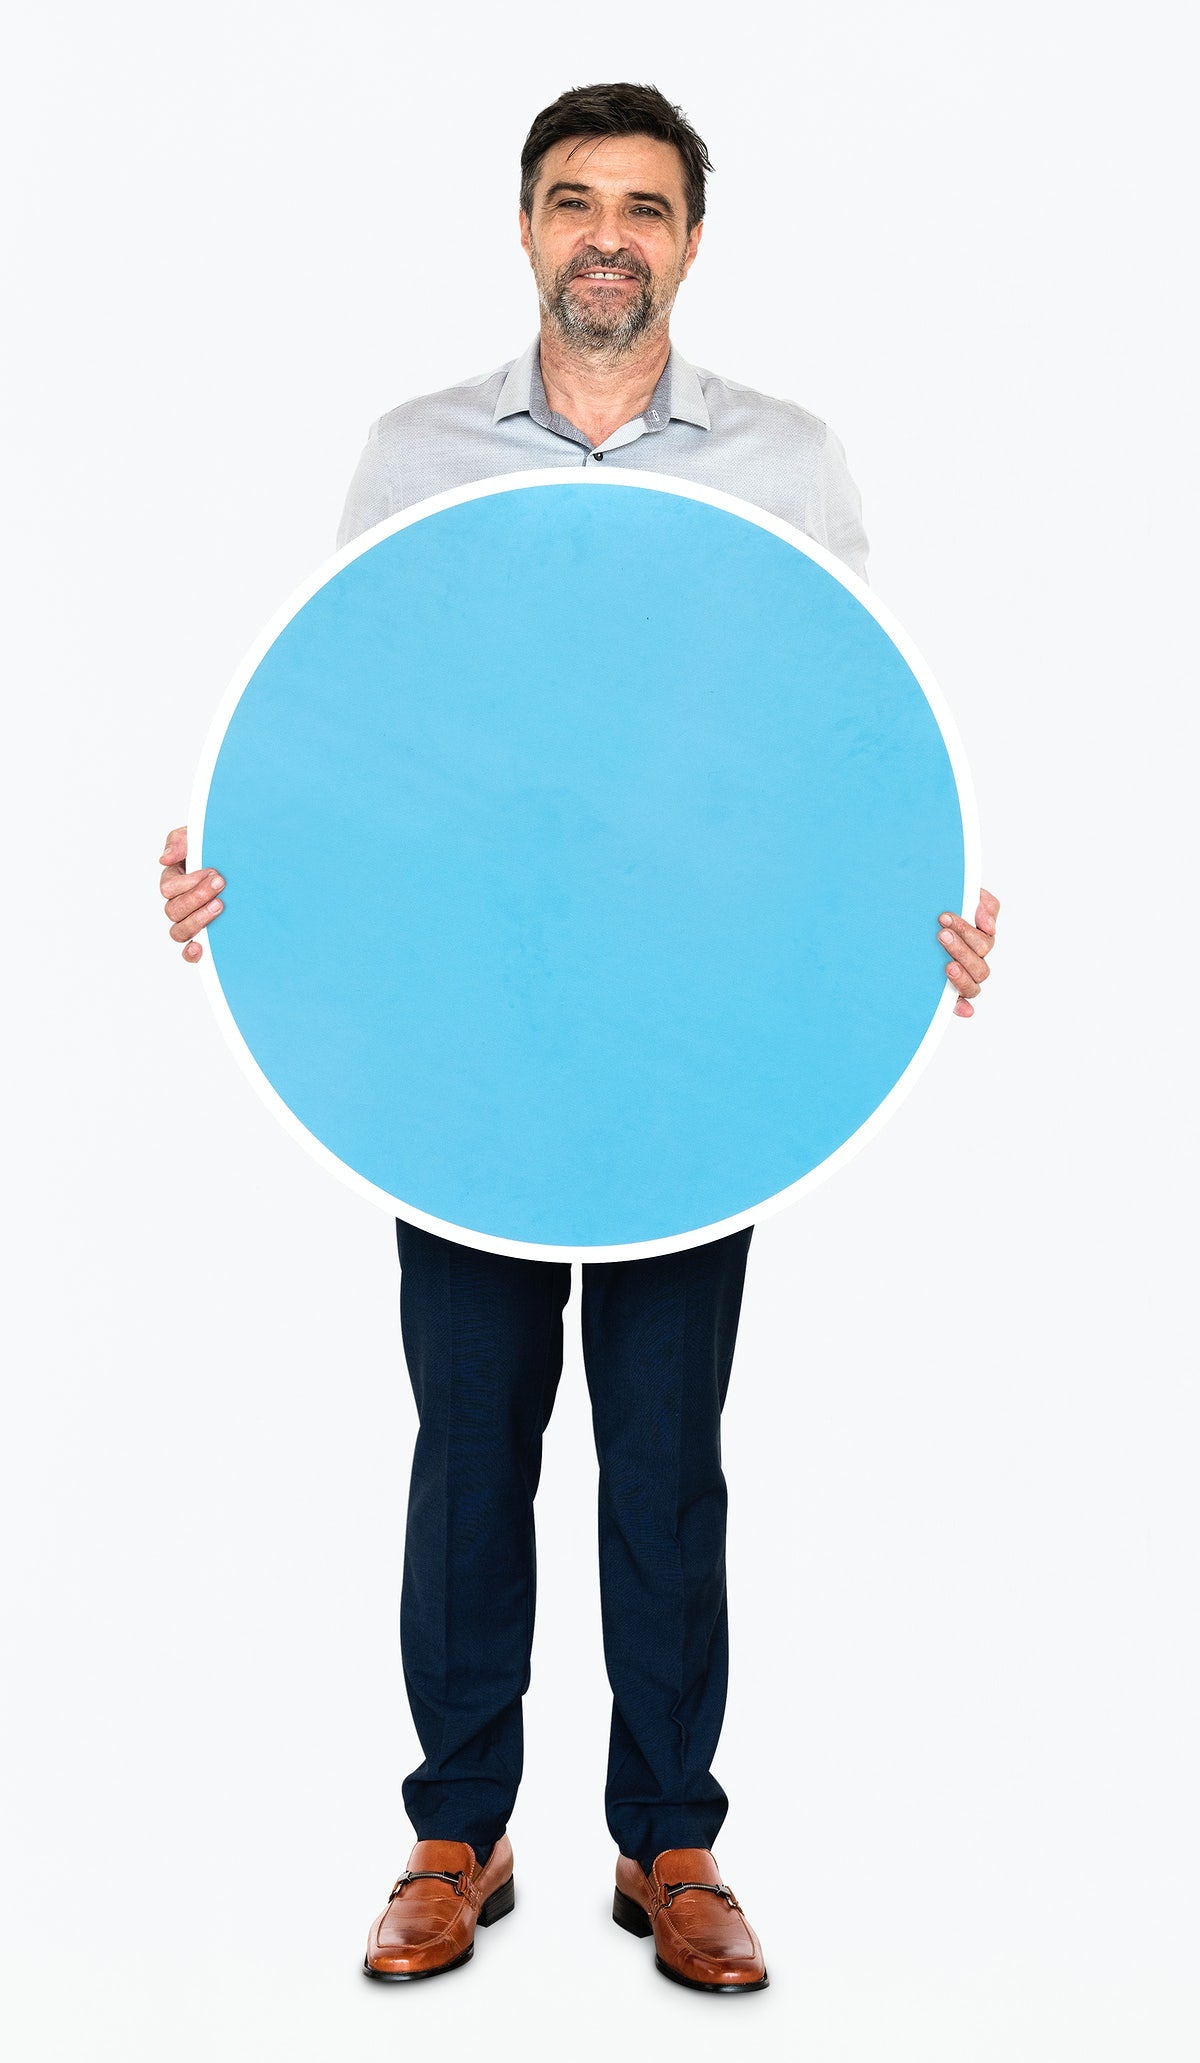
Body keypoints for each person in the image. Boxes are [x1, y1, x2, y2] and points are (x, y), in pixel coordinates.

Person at [158, 82, 1000, 1994]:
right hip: (461, 1051)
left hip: (692, 1056)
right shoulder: (414, 453)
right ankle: (456, 1830)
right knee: (468, 1450)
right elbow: (354, 738)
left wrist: (920, 918)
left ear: (693, 240)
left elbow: (838, 755)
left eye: (642, 204)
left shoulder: (788, 463)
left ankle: (672, 1839)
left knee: (666, 1455)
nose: (605, 232)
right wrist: (243, 873)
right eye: (572, 201)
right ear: (524, 228)